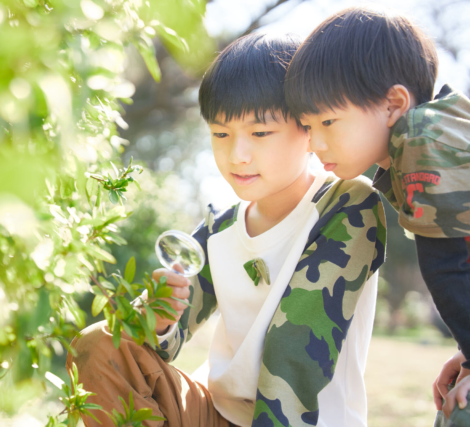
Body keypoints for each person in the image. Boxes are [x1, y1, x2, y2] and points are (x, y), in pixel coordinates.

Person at [67, 32, 386, 427]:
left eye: (260, 133)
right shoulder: (221, 225)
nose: (237, 155)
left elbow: (295, 352)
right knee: (99, 346)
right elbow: (157, 346)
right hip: (217, 413)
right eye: (221, 133)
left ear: (309, 129)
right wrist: (160, 318)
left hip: (301, 420)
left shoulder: (347, 206)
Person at [284, 6, 470, 423]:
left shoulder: (423, 141)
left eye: (328, 122)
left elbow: (447, 267)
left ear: (393, 105)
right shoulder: (431, 140)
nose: (313, 143)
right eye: (307, 127)